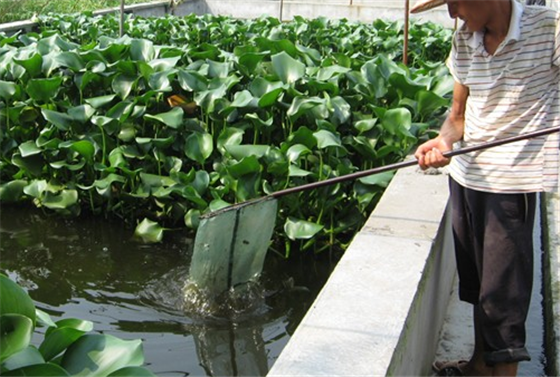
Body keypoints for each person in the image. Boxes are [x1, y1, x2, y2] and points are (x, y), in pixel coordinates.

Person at [410, 0, 560, 376]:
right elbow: (456, 118)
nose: (452, 14)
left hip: (511, 186)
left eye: (455, 2)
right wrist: (443, 144)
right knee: (479, 289)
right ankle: (478, 366)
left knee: (503, 303)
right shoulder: (464, 40)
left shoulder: (550, 28)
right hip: (466, 178)